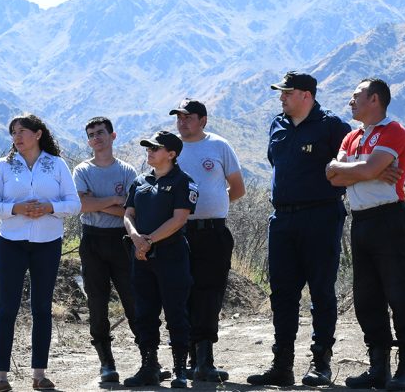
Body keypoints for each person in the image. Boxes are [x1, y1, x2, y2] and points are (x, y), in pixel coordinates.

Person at [247, 71, 350, 387]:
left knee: (321, 291)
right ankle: (283, 365)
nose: (281, 97)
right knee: (282, 293)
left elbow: (347, 168)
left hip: (320, 217)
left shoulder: (332, 127)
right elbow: (275, 163)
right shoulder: (277, 125)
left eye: (287, 93)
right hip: (282, 220)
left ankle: (321, 363)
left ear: (306, 95)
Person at [326, 78, 405, 391]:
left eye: (356, 97)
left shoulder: (393, 130)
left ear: (375, 99)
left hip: (389, 219)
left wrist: (359, 169)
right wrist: (365, 168)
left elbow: (353, 173)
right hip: (360, 221)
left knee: (398, 294)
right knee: (367, 298)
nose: (350, 102)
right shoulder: (352, 136)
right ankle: (378, 367)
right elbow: (332, 176)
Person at [0, 114, 81, 392]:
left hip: (48, 243)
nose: (16, 137)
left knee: (42, 308)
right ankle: (1, 376)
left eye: (22, 131)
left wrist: (50, 207)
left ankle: (39, 374)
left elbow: (74, 204)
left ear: (38, 134)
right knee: (7, 309)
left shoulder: (57, 164)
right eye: (13, 132)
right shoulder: (4, 165)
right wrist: (16, 209)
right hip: (11, 242)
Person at [170, 99, 245, 382]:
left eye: (188, 117)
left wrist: (214, 205)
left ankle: (205, 359)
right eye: (179, 117)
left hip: (214, 233)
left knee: (210, 293)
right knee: (181, 294)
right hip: (177, 233)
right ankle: (187, 360)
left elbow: (237, 188)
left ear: (203, 120)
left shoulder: (219, 146)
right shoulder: (169, 148)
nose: (182, 121)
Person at [122, 131, 198, 389]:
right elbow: (128, 214)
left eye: (156, 148)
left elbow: (179, 219)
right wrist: (135, 238)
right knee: (144, 313)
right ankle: (148, 367)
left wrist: (149, 240)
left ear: (172, 154)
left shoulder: (183, 182)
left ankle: (180, 370)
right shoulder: (140, 182)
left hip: (171, 256)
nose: (150, 151)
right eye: (148, 147)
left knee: (176, 313)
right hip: (141, 257)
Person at [72, 117, 139, 383]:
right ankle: (106, 363)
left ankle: (148, 358)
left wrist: (95, 202)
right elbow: (80, 205)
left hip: (122, 239)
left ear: (113, 136)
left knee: (133, 300)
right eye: (91, 135)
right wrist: (112, 200)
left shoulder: (127, 172)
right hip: (93, 240)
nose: (96, 138)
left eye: (101, 133)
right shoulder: (81, 170)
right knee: (97, 303)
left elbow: (131, 210)